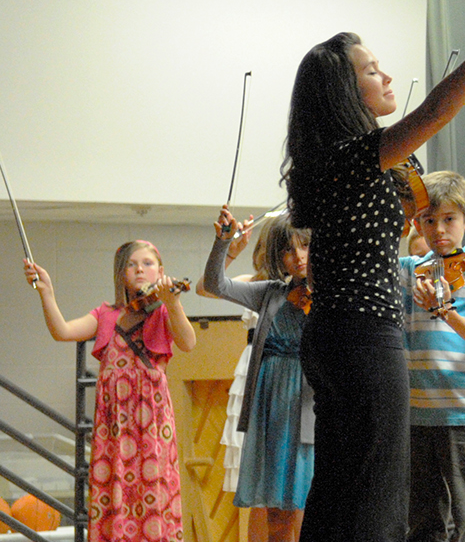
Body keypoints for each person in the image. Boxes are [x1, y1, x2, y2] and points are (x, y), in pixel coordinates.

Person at [280, 0, 465, 541]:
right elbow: (436, 112)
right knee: (377, 494)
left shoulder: (328, 159)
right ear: (345, 92)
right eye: (371, 71)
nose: (387, 75)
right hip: (364, 335)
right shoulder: (351, 156)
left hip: (335, 334)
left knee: (340, 489)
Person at [24, 241, 197, 541]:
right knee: (114, 490)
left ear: (161, 271)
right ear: (120, 274)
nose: (140, 269)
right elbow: (62, 331)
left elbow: (189, 342)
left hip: (150, 426)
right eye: (132, 264)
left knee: (153, 492)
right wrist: (47, 292)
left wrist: (174, 302)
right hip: (115, 428)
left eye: (148, 263)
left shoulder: (164, 312)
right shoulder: (105, 314)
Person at [400, 171, 465, 542]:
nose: (439, 229)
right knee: (422, 521)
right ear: (417, 223)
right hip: (417, 412)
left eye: (449, 219)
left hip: (464, 411)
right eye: (429, 220)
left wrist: (446, 310)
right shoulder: (409, 270)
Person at [205, 209, 315, 542]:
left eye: (304, 247)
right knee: (276, 513)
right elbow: (214, 284)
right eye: (287, 249)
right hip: (274, 410)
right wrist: (223, 242)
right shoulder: (270, 292)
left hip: (314, 406)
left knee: (314, 508)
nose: (297, 257)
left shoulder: (335, 296)